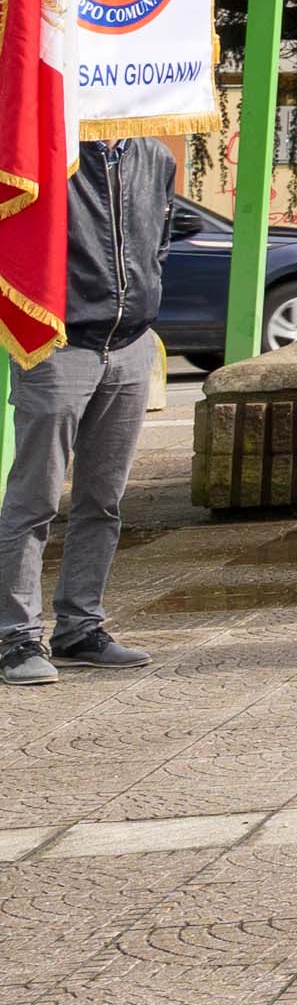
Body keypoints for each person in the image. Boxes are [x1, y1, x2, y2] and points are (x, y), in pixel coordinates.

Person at [2, 134, 181, 684]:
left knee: (103, 500)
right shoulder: (46, 151)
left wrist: (143, 299)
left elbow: (160, 240)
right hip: (58, 346)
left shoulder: (155, 156)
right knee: (33, 500)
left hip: (129, 346)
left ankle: (80, 627)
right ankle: (15, 638)